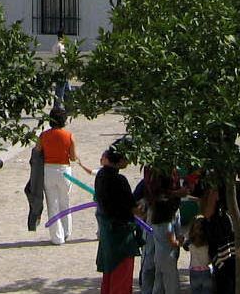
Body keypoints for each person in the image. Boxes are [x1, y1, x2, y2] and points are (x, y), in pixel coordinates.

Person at [35, 107, 93, 245]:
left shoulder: (43, 136)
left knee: (52, 204)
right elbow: (72, 157)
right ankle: (66, 231)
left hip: (48, 170)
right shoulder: (69, 136)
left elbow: (37, 151)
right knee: (64, 201)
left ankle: (57, 237)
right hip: (64, 170)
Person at [95, 142, 142, 294]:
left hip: (107, 234)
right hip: (121, 237)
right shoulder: (119, 180)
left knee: (109, 279)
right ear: (121, 159)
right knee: (121, 280)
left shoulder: (100, 175)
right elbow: (134, 209)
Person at [141, 195, 183, 294]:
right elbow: (172, 242)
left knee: (158, 282)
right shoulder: (168, 225)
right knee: (172, 283)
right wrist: (180, 243)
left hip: (158, 256)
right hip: (168, 257)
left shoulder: (155, 224)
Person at [185, 216, 213, 294]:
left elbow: (185, 246)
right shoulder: (208, 240)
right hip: (206, 270)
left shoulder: (190, 241)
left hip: (194, 270)